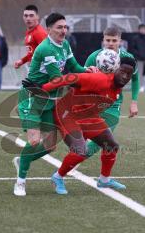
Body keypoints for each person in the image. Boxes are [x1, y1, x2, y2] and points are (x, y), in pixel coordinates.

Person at [13, 12, 93, 196]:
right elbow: (57, 79)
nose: (63, 30)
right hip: (32, 99)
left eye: (65, 27)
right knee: (34, 141)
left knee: (50, 145)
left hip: (49, 101)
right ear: (49, 29)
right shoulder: (46, 49)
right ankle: (20, 182)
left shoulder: (64, 44)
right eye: (59, 27)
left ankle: (22, 160)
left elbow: (75, 67)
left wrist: (88, 72)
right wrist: (83, 80)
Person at [41, 57, 136, 194]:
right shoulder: (99, 79)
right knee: (81, 151)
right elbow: (70, 78)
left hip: (88, 117)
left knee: (111, 145)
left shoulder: (117, 89)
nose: (125, 76)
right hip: (68, 114)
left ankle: (104, 180)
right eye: (123, 71)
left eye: (129, 74)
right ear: (115, 69)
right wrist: (43, 88)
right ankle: (58, 177)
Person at [84, 26, 139, 160]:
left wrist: (134, 102)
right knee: (86, 137)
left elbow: (136, 79)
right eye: (108, 40)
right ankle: (74, 160)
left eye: (114, 40)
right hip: (93, 102)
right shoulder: (94, 57)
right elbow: (83, 78)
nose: (110, 43)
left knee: (105, 137)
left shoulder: (127, 58)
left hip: (114, 103)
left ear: (120, 41)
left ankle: (77, 159)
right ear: (103, 40)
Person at [14, 5, 47, 69]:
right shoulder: (29, 32)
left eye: (31, 15)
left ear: (37, 17)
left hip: (40, 72)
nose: (28, 18)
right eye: (26, 16)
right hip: (34, 70)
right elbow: (32, 53)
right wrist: (22, 61)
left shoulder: (39, 33)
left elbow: (47, 54)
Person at [131, 23, 145, 92]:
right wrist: (138, 55)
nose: (143, 30)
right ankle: (141, 86)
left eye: (144, 29)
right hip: (139, 59)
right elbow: (133, 49)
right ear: (139, 30)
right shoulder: (135, 38)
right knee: (139, 73)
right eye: (142, 29)